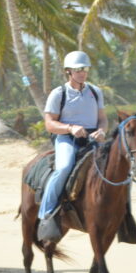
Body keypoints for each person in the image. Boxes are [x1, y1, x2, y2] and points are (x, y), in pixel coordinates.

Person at [37, 51, 108, 242]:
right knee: (64, 167)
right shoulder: (58, 93)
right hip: (67, 138)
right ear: (68, 71)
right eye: (78, 70)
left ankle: (124, 214)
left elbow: (102, 119)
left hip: (92, 137)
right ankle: (46, 214)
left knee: (116, 166)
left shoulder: (95, 92)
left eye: (84, 69)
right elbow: (50, 124)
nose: (82, 73)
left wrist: (101, 131)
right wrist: (70, 128)